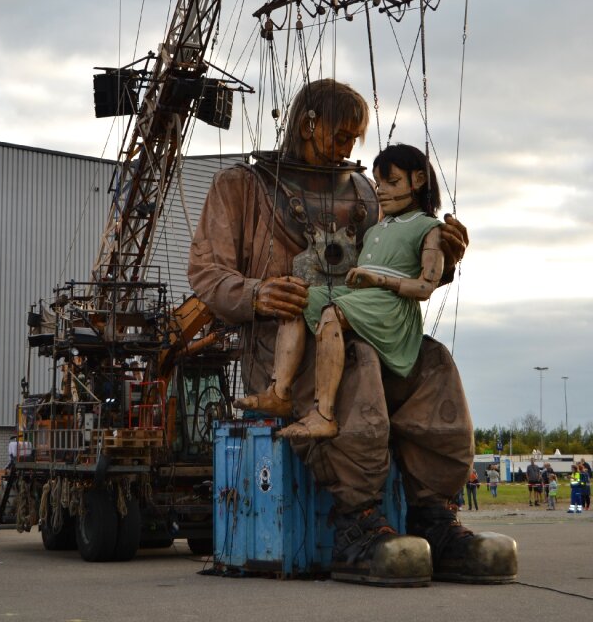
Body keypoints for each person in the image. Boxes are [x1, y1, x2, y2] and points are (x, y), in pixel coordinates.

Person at [189, 78, 517, 585]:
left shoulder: (366, 191)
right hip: (284, 351)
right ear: (308, 124)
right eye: (341, 135)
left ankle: (434, 517)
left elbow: (404, 257)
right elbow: (207, 272)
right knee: (357, 366)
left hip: (370, 331)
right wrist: (257, 294)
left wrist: (442, 255)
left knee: (434, 364)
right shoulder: (241, 187)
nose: (348, 148)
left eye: (354, 139)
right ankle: (358, 525)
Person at [236, 144, 444, 440]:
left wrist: (379, 281)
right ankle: (279, 392)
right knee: (298, 298)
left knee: (332, 314)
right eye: (379, 182)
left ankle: (324, 414)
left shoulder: (428, 227)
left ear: (419, 181)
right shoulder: (375, 230)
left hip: (392, 307)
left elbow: (425, 286)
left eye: (393, 182)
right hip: (365, 297)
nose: (382, 190)